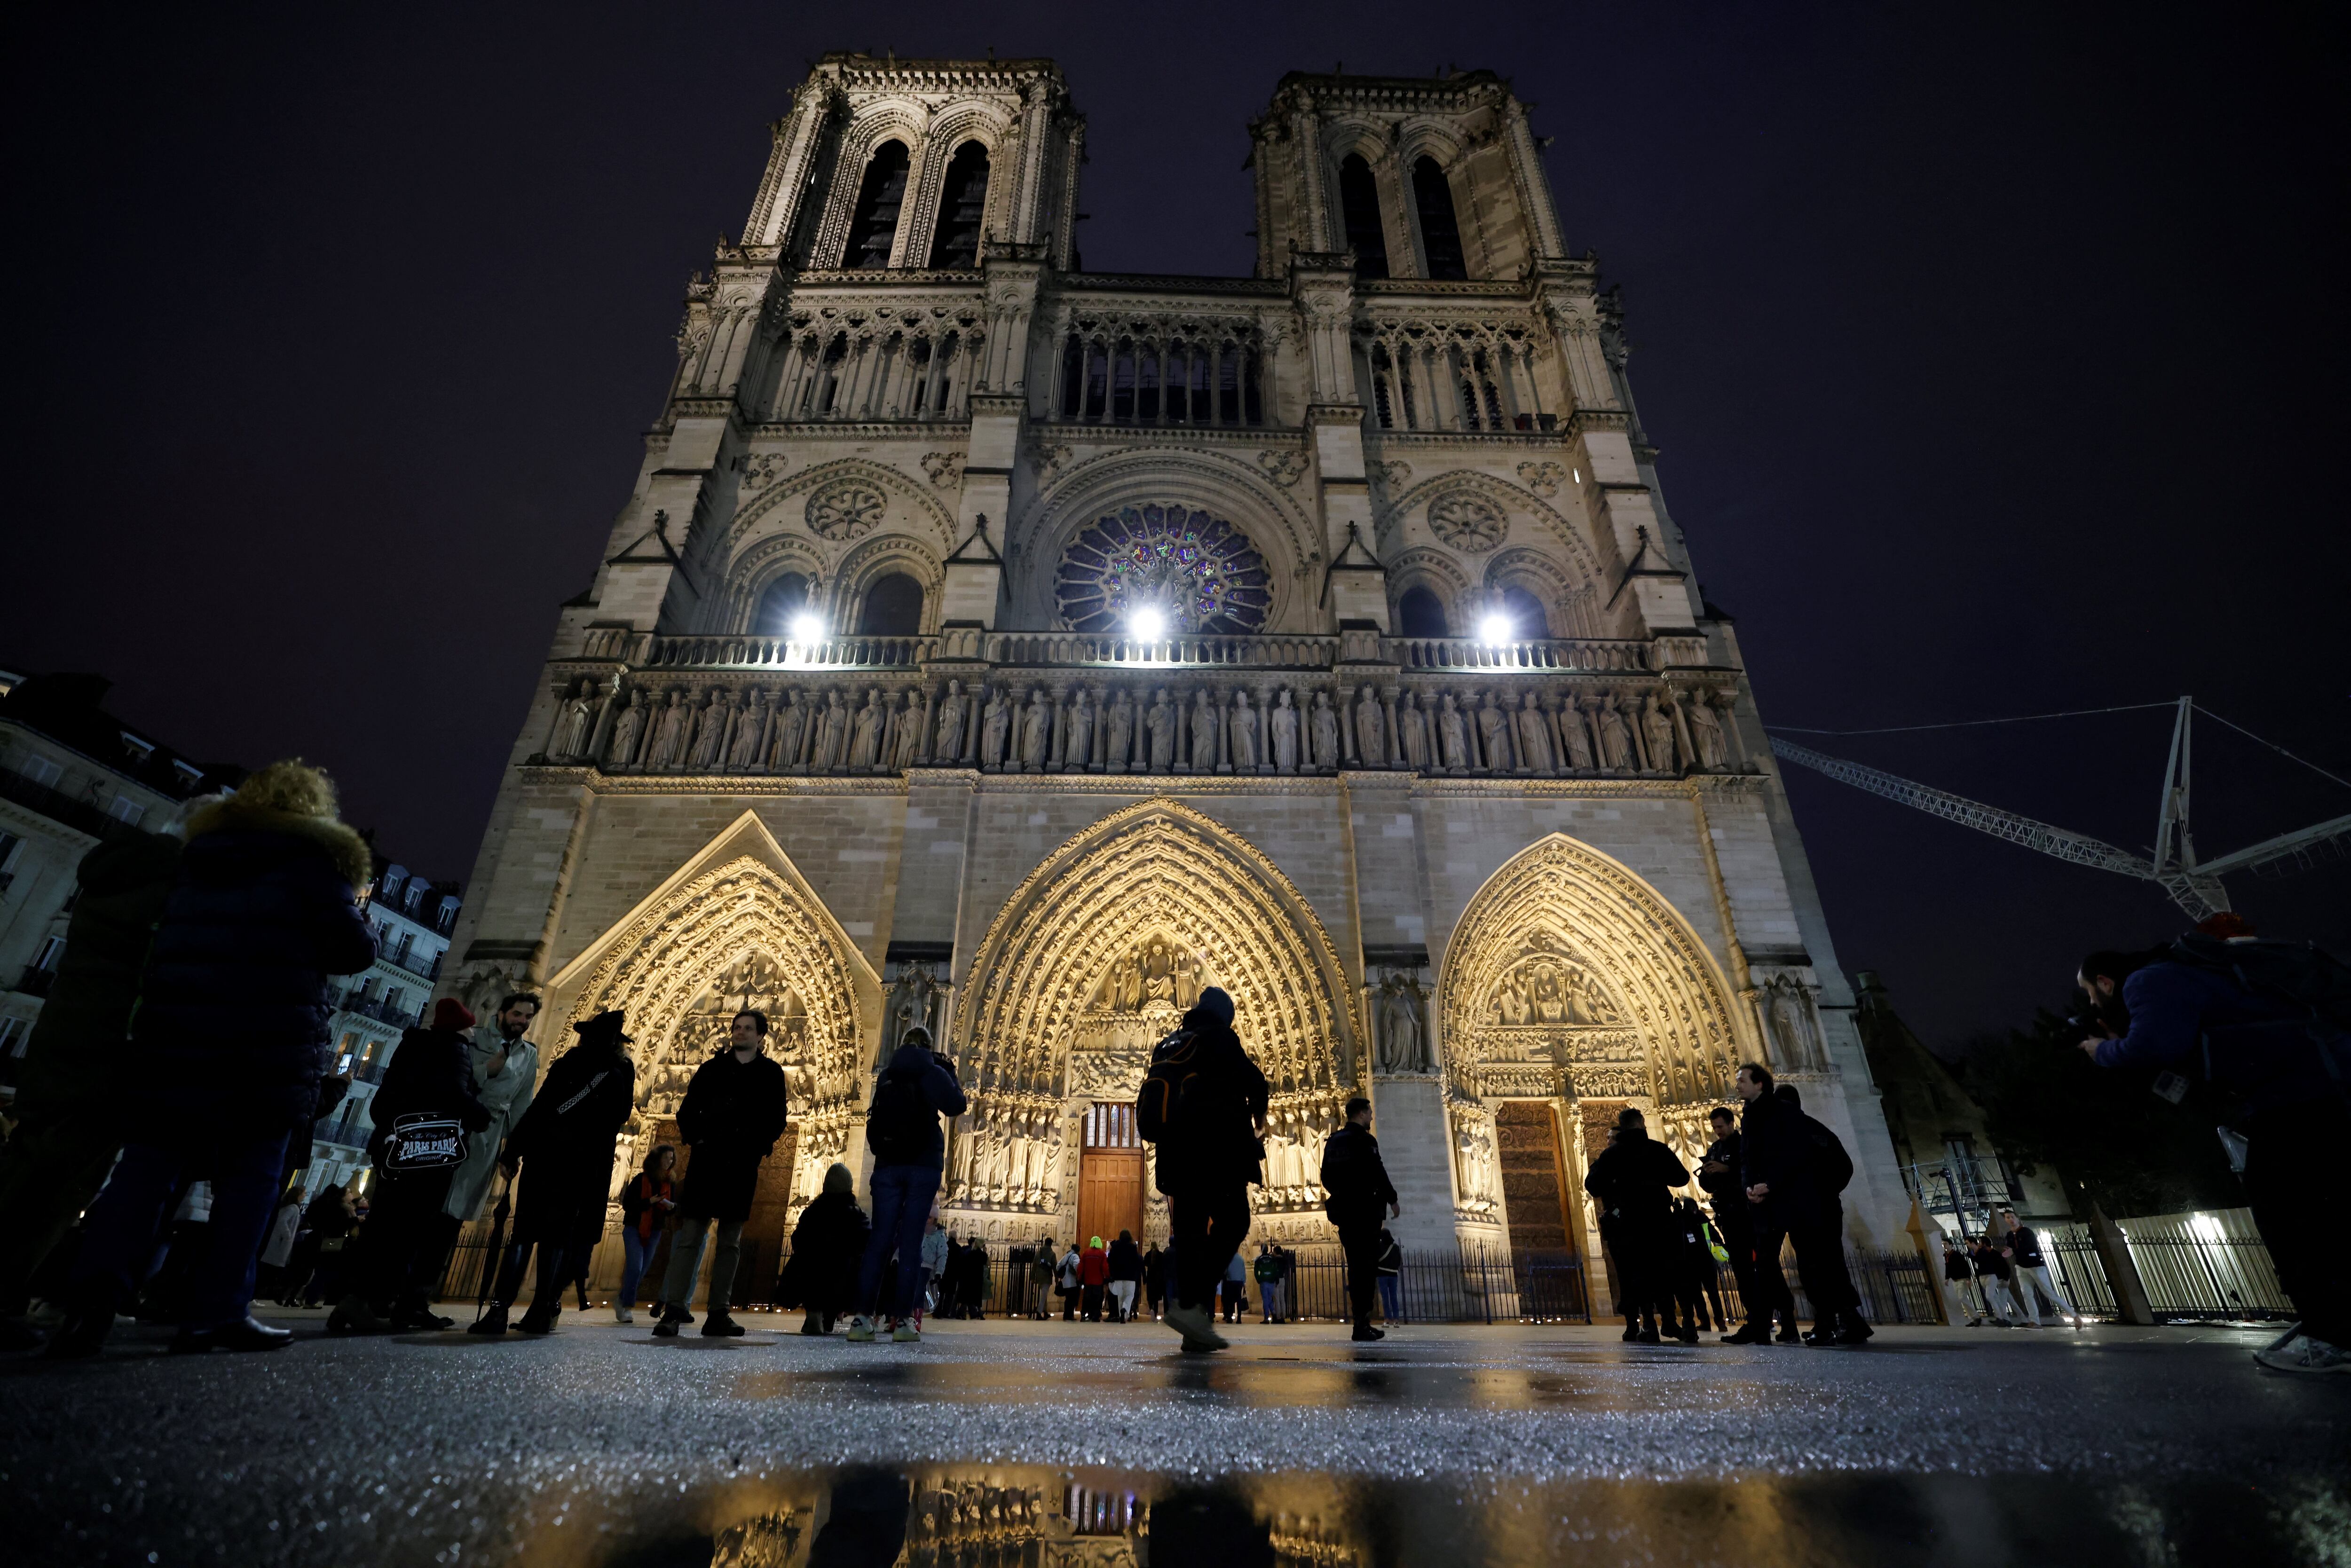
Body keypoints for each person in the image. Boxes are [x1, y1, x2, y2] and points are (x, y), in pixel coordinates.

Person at [49, 761, 377, 1357]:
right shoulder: (311, 865)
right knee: (250, 1180)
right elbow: (354, 951)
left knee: (145, 1173)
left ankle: (88, 1306)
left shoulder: (194, 860)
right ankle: (216, 1312)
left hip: (177, 1038)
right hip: (264, 1042)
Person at [2076, 935, 2349, 1371]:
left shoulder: (2147, 981)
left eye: (2090, 993)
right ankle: (2332, 1322)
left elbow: (2155, 1047)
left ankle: (2334, 1334)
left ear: (2106, 982)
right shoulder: (2185, 974)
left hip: (2299, 1095)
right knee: (2317, 1206)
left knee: (2289, 1211)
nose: (2092, 1004)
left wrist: (2103, 1050)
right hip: (2316, 1083)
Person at [0, 818, 188, 1349]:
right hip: (110, 1047)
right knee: (62, 1177)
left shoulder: (115, 875)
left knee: (34, 1158)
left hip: (64, 1035)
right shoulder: (170, 890)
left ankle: (9, 1288)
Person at [333, 997, 493, 1332]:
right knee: (408, 1230)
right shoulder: (455, 1048)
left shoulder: (412, 1045)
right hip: (428, 1154)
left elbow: (385, 1100)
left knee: (382, 1224)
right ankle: (365, 1300)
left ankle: (355, 1299)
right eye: (470, 1024)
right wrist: (479, 1114)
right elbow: (451, 1092)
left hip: (394, 1149)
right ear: (462, 1027)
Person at [473, 1009, 635, 1336]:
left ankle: (499, 1310)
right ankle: (542, 1310)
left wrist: (512, 1150)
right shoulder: (616, 1073)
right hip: (582, 1167)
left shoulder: (567, 1065)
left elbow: (540, 1108)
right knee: (557, 1239)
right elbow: (620, 1116)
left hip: (544, 1159)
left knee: (523, 1235)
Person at [1141, 986, 1269, 1353]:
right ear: (1224, 1015)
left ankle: (1192, 1333)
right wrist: (1259, 1121)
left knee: (1190, 1239)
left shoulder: (1168, 1043)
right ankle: (1195, 1305)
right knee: (1234, 1222)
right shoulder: (1220, 1038)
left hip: (1175, 1160)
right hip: (1215, 1155)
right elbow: (1256, 1081)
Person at [655, 1009, 790, 1339]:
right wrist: (698, 1138)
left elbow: (777, 1117)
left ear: (761, 1036)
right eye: (736, 1027)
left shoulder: (771, 1073)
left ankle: (719, 1311)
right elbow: (686, 1111)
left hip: (742, 1165)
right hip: (707, 1161)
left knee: (731, 1241)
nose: (740, 1032)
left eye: (747, 1028)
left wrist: (758, 1146)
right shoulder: (711, 1069)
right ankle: (674, 1308)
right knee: (690, 1237)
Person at [1737, 1064, 1870, 1346]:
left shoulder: (1803, 1129)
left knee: (1820, 1266)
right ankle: (1847, 1321)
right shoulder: (1791, 1127)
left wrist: (1822, 1194)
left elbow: (1838, 1167)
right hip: (1802, 1206)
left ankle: (1832, 1323)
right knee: (1821, 1267)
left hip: (1814, 1208)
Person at [849, 1024, 965, 1343]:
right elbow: (957, 1105)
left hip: (887, 1165)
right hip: (922, 1165)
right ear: (928, 1047)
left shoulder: (887, 1074)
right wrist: (948, 1071)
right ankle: (903, 1320)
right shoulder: (931, 1071)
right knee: (911, 1243)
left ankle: (861, 1318)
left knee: (879, 1241)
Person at [441, 994, 541, 1253]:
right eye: (517, 1014)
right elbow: (452, 1080)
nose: (522, 1021)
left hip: (490, 1134)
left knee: (458, 1208)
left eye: (528, 1017)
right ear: (502, 1013)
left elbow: (522, 1104)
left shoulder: (529, 1054)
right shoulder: (474, 1038)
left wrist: (512, 1152)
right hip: (456, 1126)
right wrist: (487, 1069)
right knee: (436, 1200)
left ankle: (425, 1282)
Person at [1583, 1105, 1691, 1343]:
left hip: (1628, 1225)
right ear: (1642, 1123)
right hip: (1659, 1221)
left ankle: (1649, 1326)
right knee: (1664, 1271)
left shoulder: (1612, 1155)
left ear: (1622, 1127)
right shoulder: (1657, 1149)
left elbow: (1593, 1186)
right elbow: (1682, 1177)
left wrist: (1614, 1183)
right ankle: (1672, 1322)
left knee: (1636, 1274)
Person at [1698, 1104, 1783, 1344]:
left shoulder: (1744, 1145)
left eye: (1720, 1126)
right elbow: (1707, 1185)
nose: (1717, 1131)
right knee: (1742, 1271)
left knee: (1766, 1267)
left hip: (1749, 1214)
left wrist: (1727, 1169)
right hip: (1729, 1216)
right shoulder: (1715, 1149)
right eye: (1714, 1127)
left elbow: (1753, 1173)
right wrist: (1708, 1173)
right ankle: (1755, 1319)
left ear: (1731, 1123)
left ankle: (1782, 1318)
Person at [1319, 1095, 1401, 1341]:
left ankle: (1360, 1322)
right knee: (1366, 1267)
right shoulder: (1365, 1141)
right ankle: (1362, 1323)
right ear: (1361, 1114)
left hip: (1344, 1213)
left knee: (1355, 1267)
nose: (1372, 1117)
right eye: (1369, 1112)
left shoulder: (1334, 1141)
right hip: (1366, 1212)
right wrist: (1392, 1198)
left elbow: (1326, 1177)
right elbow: (1378, 1172)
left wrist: (1344, 1193)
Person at [786, 1162, 869, 1334]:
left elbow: (797, 1239)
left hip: (812, 1275)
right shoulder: (854, 1213)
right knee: (853, 1266)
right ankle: (831, 1315)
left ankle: (814, 1313)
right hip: (842, 1276)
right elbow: (866, 1241)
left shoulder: (813, 1211)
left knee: (810, 1264)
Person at [615, 1144, 677, 1324]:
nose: (669, 1162)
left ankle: (620, 1299)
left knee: (641, 1270)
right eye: (666, 1158)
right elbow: (627, 1203)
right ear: (657, 1160)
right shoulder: (640, 1179)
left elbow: (670, 1209)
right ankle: (627, 1307)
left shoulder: (669, 1183)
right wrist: (649, 1201)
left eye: (672, 1159)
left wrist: (671, 1207)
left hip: (655, 1230)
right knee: (635, 1266)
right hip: (635, 1227)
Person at [1997, 1208, 2077, 1328]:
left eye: (2012, 1217)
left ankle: (2074, 1316)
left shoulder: (2027, 1232)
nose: (2011, 1220)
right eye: (2008, 1218)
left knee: (2049, 1293)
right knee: (2027, 1294)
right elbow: (2012, 1249)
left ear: (2017, 1218)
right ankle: (2034, 1321)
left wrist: (2014, 1251)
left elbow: (2032, 1247)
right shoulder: (2009, 1235)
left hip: (2035, 1266)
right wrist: (2010, 1251)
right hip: (2021, 1267)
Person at [1672, 1195, 1727, 1333]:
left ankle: (1705, 1322)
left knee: (1698, 1295)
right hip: (1707, 1262)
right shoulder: (1703, 1220)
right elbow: (1717, 1238)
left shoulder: (1684, 1220)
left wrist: (1677, 1210)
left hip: (1693, 1264)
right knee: (1711, 1293)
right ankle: (1719, 1322)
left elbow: (1676, 1226)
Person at [1970, 1232, 2019, 1324]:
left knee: (2001, 1300)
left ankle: (2004, 1319)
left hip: (2001, 1279)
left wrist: (2006, 1279)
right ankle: (2021, 1319)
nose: (1979, 1244)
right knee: (2010, 1301)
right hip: (1997, 1279)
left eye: (1980, 1242)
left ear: (1984, 1244)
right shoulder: (1985, 1253)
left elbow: (2004, 1267)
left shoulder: (1994, 1253)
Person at [1943, 1235, 1988, 1326]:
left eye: (1946, 1244)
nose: (1944, 1246)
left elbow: (1966, 1266)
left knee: (1962, 1298)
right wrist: (1947, 1278)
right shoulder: (1947, 1256)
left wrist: (1968, 1278)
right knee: (1962, 1299)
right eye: (1943, 1244)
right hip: (1955, 1280)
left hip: (1962, 1279)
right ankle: (1973, 1319)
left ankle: (1976, 1317)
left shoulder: (1957, 1255)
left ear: (1951, 1245)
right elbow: (1948, 1268)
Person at [918, 1215, 948, 1325]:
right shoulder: (918, 1229)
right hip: (914, 1265)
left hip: (927, 1267)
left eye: (930, 1217)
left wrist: (939, 1272)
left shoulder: (939, 1235)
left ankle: (917, 1318)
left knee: (920, 1293)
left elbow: (942, 1255)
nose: (927, 1219)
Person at [1108, 1230, 1143, 1322]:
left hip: (1118, 1276)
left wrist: (1112, 1274)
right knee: (1130, 1295)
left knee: (1120, 1297)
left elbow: (1110, 1261)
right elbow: (1136, 1261)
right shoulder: (1132, 1247)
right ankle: (1125, 1310)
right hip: (1130, 1277)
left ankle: (1121, 1316)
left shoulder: (1115, 1247)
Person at [1375, 1228, 1404, 1323]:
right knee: (1394, 1297)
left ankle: (1387, 1318)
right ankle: (1396, 1318)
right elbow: (1399, 1260)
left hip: (1382, 1274)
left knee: (1385, 1297)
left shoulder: (1379, 1246)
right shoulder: (1395, 1247)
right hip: (1393, 1275)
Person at [1079, 1235, 1110, 1322]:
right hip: (1098, 1281)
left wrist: (1080, 1277)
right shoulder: (1102, 1254)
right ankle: (1095, 1316)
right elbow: (1105, 1267)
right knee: (1097, 1299)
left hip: (1087, 1280)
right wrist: (1107, 1276)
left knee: (1087, 1298)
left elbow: (1081, 1267)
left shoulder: (1086, 1253)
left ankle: (1083, 1315)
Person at [1029, 1238, 1058, 1319]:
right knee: (1043, 1296)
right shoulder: (1052, 1254)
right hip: (1047, 1277)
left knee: (1044, 1295)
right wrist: (1057, 1278)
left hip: (1039, 1276)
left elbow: (1034, 1265)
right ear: (1051, 1244)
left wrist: (1032, 1277)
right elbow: (1055, 1267)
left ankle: (1045, 1312)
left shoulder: (1039, 1253)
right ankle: (1039, 1313)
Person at [1254, 1243, 1282, 1324]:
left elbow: (1256, 1271)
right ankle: (1273, 1313)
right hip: (1271, 1281)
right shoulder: (1272, 1258)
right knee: (1269, 1298)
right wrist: (1276, 1279)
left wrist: (1258, 1279)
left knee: (1266, 1299)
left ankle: (1266, 1318)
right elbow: (1275, 1270)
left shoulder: (1259, 1259)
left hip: (1264, 1281)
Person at [1221, 1249, 1249, 1325]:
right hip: (1239, 1282)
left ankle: (1230, 1317)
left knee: (1230, 1300)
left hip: (1231, 1281)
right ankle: (1239, 1318)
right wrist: (1244, 1281)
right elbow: (1243, 1271)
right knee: (1239, 1299)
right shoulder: (1241, 1259)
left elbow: (1226, 1271)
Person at [1141, 1242, 1166, 1320]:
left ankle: (1151, 1308)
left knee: (1150, 1295)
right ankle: (1155, 1312)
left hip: (1151, 1277)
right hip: (1158, 1278)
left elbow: (1144, 1264)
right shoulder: (1161, 1255)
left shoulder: (1148, 1254)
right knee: (1156, 1297)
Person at [1058, 1240, 1082, 1321]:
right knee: (1072, 1300)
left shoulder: (1067, 1255)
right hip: (1072, 1282)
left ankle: (1066, 1315)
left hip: (1065, 1281)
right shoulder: (1075, 1256)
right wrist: (1079, 1274)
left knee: (1068, 1299)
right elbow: (1077, 1266)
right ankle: (1070, 1315)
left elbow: (1059, 1265)